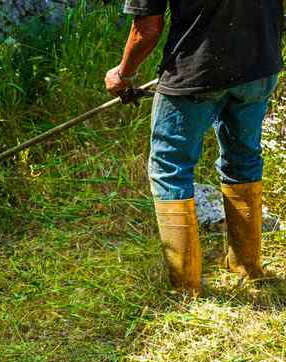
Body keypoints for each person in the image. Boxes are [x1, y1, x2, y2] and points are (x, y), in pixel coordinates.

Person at [105, 0, 284, 296]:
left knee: (169, 169)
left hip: (197, 71)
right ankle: (247, 265)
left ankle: (186, 287)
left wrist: (123, 74)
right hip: (259, 66)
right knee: (244, 159)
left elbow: (146, 29)